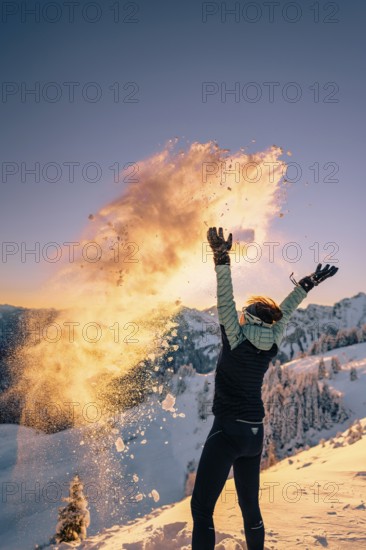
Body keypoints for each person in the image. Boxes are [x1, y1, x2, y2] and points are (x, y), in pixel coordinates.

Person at [190, 227, 339, 550]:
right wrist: (307, 284)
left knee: (202, 509)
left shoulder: (235, 336)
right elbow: (286, 311)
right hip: (255, 435)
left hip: (227, 431)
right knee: (250, 509)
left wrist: (221, 257)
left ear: (248, 318)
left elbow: (224, 298)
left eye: (243, 314)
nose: (238, 316)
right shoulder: (272, 340)